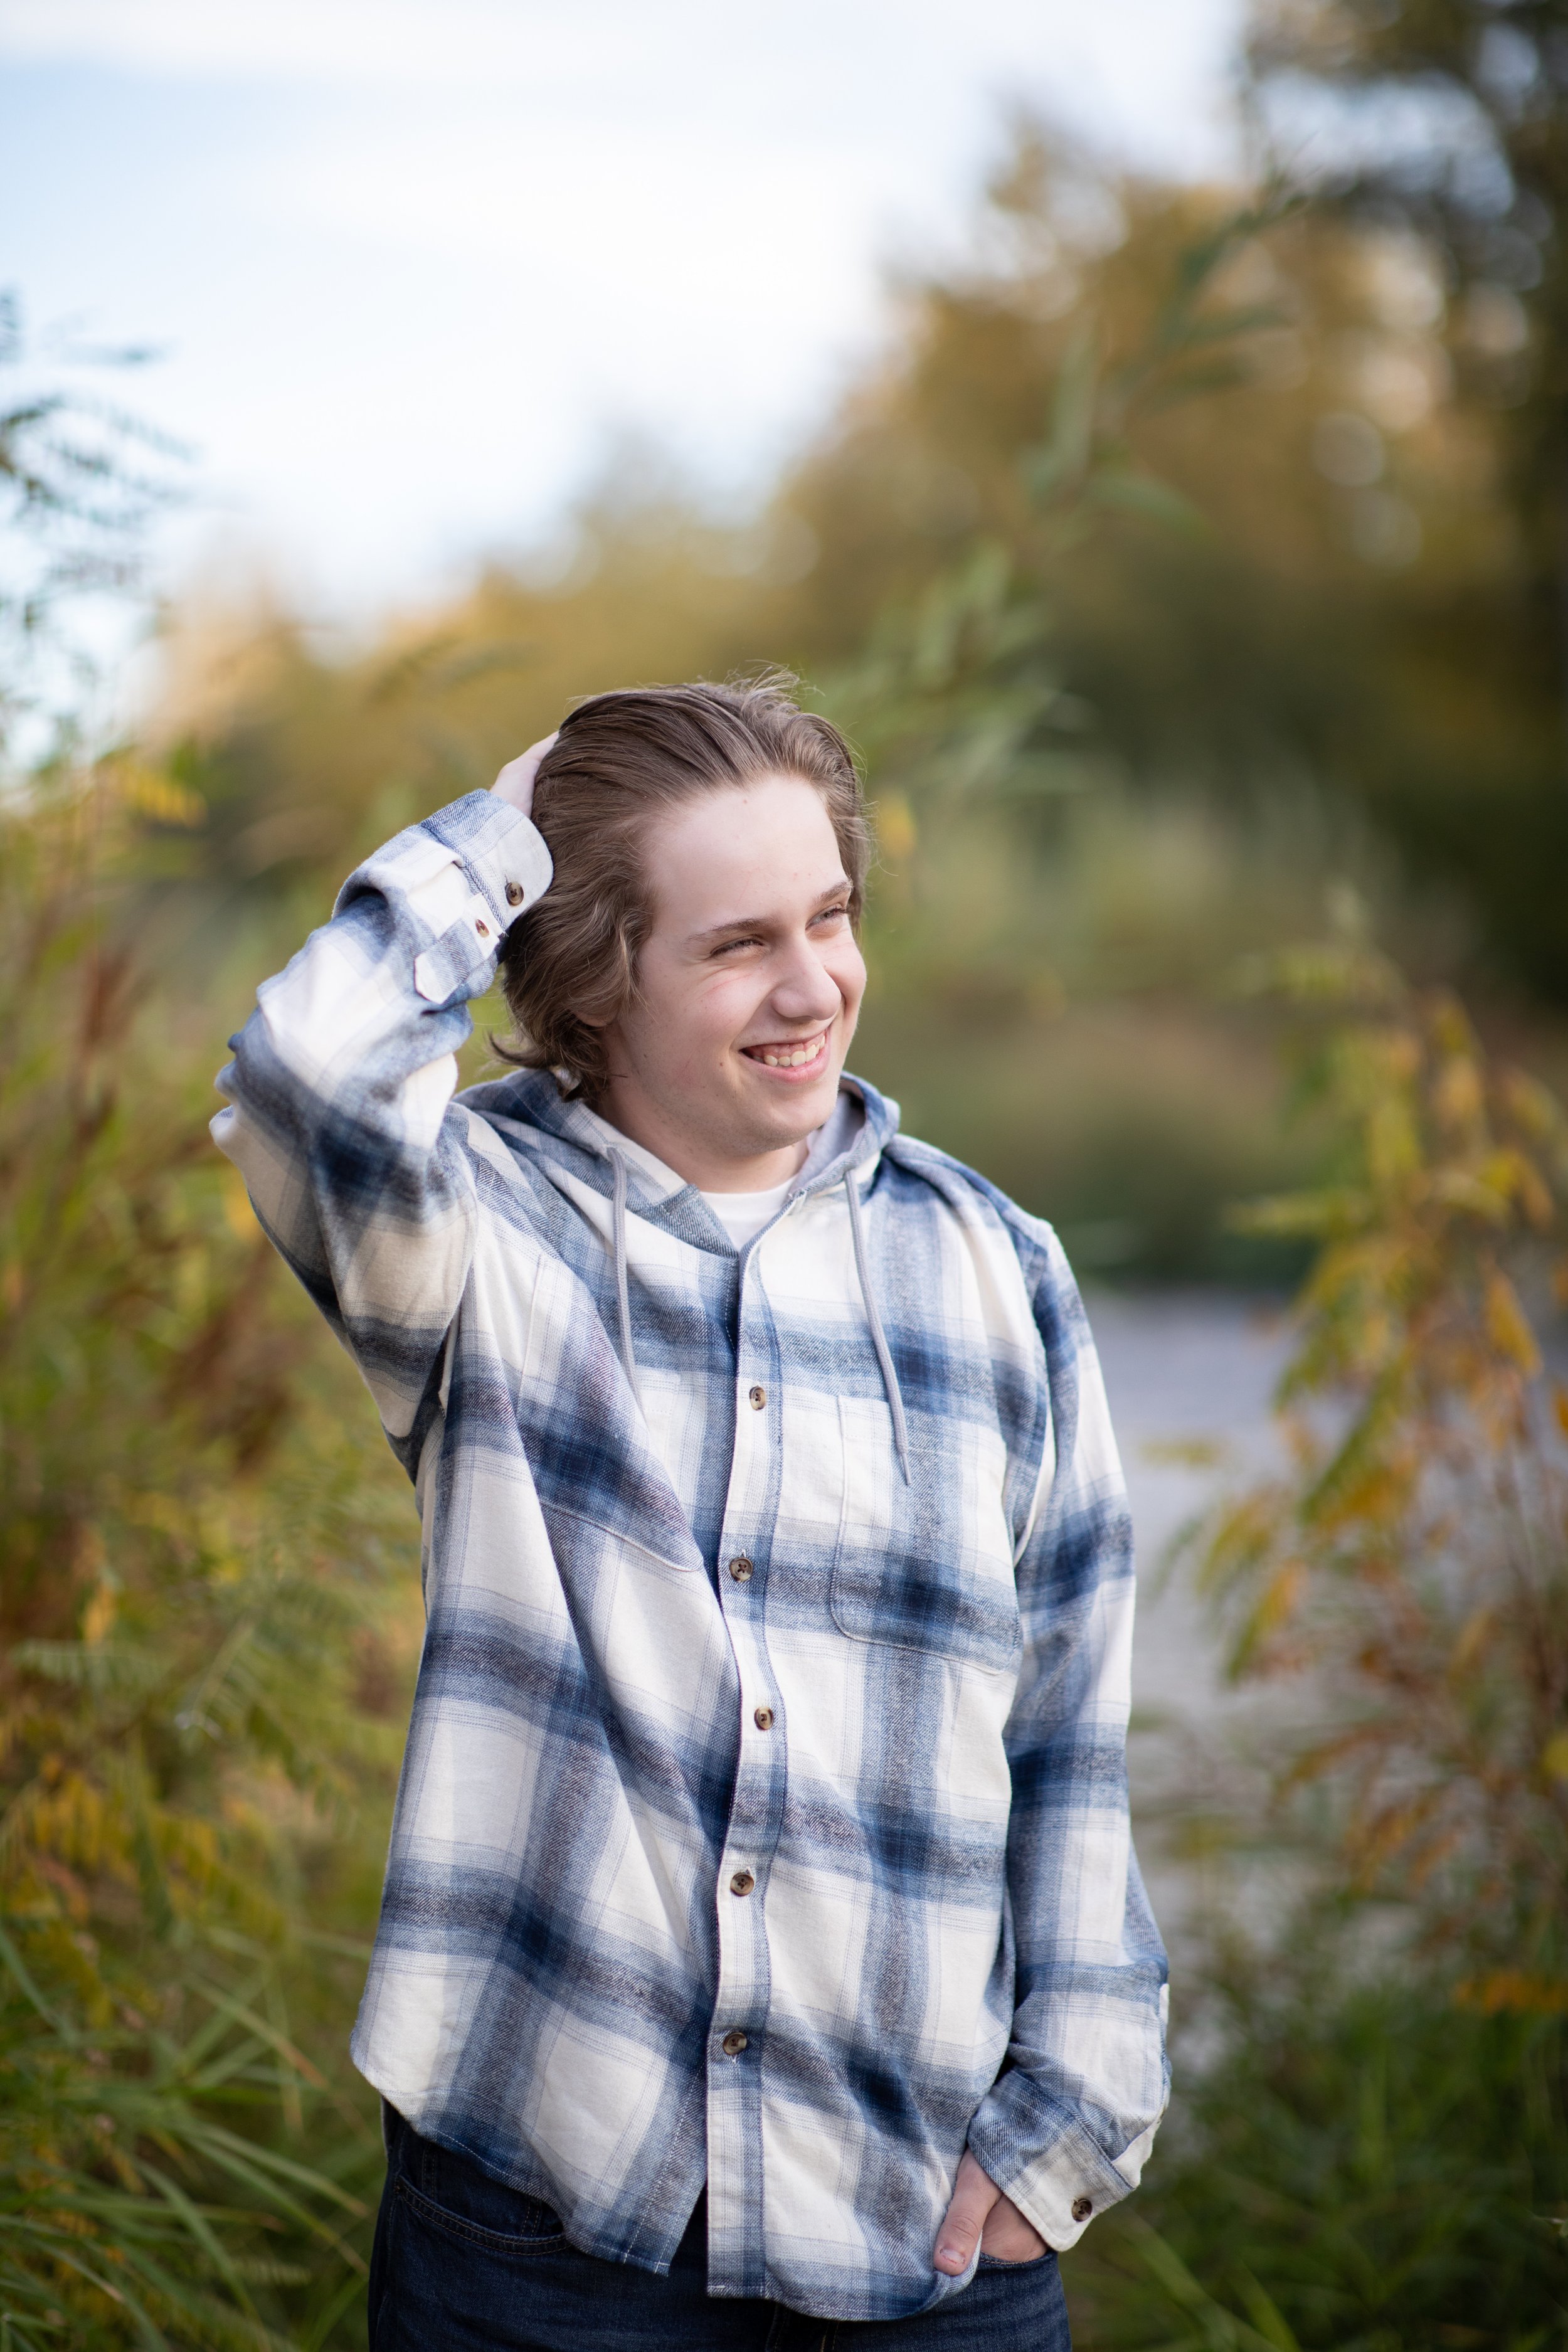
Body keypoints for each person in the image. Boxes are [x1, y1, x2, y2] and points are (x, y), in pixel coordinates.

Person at [213, 677, 1167, 2351]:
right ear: (596, 983)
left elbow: (1070, 1725)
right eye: (736, 945)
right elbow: (305, 1069)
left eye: (831, 916)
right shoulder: (473, 1243)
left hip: (920, 2234)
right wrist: (503, 835)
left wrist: (1069, 2119)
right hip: (539, 2233)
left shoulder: (993, 1271)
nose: (813, 986)